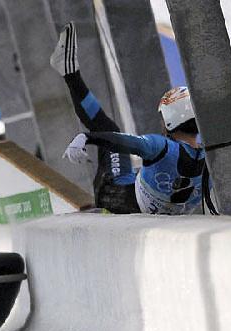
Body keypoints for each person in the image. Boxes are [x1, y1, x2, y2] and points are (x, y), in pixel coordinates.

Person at [50, 22, 206, 215]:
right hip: (150, 206)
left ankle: (70, 74)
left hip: (115, 196)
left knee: (107, 126)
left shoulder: (161, 147)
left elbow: (121, 140)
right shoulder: (211, 157)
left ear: (169, 121)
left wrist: (86, 137)